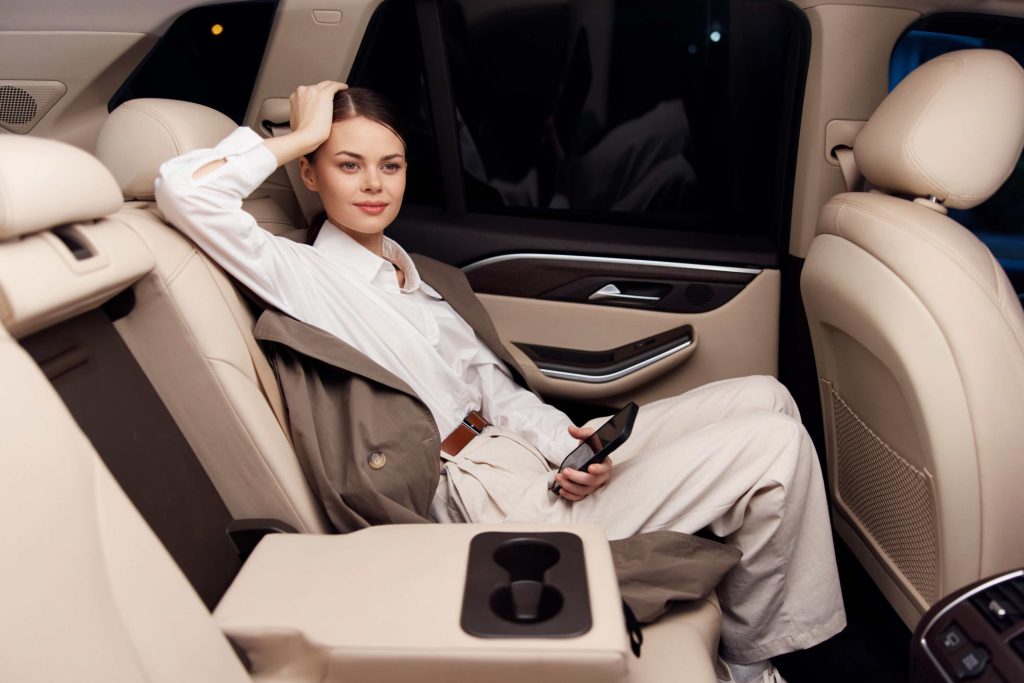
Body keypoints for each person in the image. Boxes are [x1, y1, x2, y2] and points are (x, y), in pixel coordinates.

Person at [155, 81, 845, 683]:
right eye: (347, 164)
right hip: (477, 494)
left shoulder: (415, 273)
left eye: (390, 165)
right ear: (310, 174)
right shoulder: (303, 275)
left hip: (523, 459)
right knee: (777, 450)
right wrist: (296, 133)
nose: (373, 184)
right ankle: (750, 668)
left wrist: (567, 446)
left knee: (768, 395)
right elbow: (183, 190)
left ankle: (733, 628)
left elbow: (495, 389)